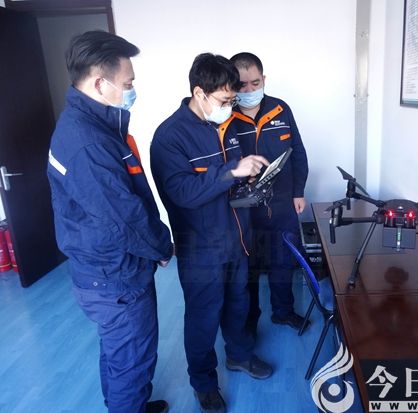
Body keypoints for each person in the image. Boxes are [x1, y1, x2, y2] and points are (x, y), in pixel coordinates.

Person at [47, 31, 173, 413]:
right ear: (101, 84)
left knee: (118, 353)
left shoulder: (88, 125)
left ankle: (128, 405)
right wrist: (162, 246)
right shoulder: (88, 143)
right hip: (115, 275)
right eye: (128, 83)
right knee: (132, 362)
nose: (132, 90)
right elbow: (125, 219)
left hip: (101, 268)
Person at [150, 53, 273, 413]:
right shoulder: (169, 137)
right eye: (224, 100)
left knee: (239, 304)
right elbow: (182, 193)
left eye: (233, 99)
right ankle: (204, 383)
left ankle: (239, 355)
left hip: (236, 238)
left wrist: (249, 177)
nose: (230, 106)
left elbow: (228, 180)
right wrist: (231, 172)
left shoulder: (226, 125)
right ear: (199, 93)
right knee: (203, 318)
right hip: (200, 246)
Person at [229, 52, 309, 335]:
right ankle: (249, 319)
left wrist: (298, 191)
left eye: (255, 83)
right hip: (245, 207)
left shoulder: (280, 109)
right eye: (242, 85)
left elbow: (298, 152)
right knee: (247, 267)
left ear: (264, 79)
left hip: (283, 203)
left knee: (282, 261)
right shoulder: (226, 116)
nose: (249, 90)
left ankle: (283, 312)